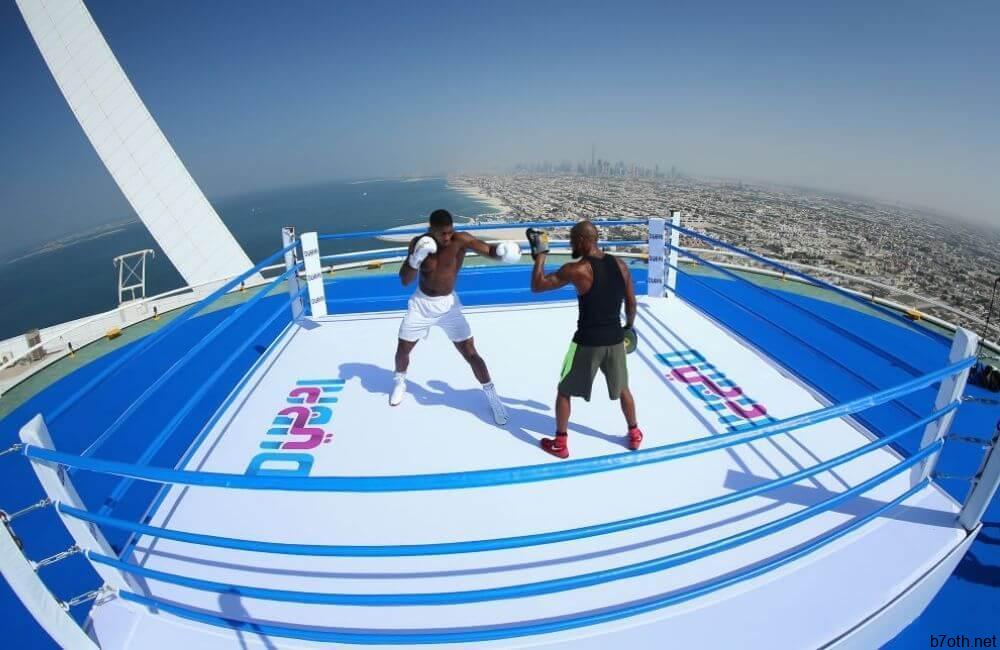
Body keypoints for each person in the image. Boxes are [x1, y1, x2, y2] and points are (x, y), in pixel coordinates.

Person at [393, 209, 521, 425]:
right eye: (442, 234)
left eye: (449, 232)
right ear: (431, 230)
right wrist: (415, 259)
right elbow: (405, 280)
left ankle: (493, 398)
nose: (446, 238)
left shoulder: (459, 240)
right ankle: (399, 382)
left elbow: (487, 249)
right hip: (421, 304)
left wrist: (502, 251)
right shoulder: (418, 243)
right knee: (402, 349)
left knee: (471, 353)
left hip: (448, 306)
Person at [528, 220, 643, 458]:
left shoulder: (577, 269)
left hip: (587, 342)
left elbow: (537, 286)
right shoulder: (620, 265)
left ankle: (560, 443)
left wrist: (540, 253)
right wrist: (628, 328)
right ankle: (634, 434)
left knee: (564, 391)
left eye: (572, 240)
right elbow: (631, 303)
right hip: (615, 340)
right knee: (623, 388)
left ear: (582, 240)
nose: (571, 244)